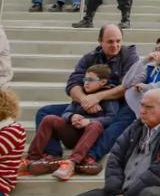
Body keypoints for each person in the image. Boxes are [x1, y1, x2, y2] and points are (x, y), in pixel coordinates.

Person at [34, 24, 139, 176]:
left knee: (127, 116)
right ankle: (52, 156)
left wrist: (97, 97)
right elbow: (72, 84)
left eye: (118, 41)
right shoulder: (89, 58)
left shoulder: (129, 56)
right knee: (44, 113)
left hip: (115, 105)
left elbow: (128, 86)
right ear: (100, 41)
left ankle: (90, 157)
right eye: (110, 41)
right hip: (86, 104)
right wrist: (85, 100)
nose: (115, 45)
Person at [65, 88, 160, 196]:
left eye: (148, 107)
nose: (142, 111)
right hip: (123, 190)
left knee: (149, 195)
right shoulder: (136, 126)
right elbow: (115, 158)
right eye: (142, 105)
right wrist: (116, 194)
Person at [23, 64, 118, 181]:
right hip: (72, 134)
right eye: (85, 79)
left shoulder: (108, 98)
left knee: (95, 125)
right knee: (49, 118)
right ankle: (33, 157)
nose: (86, 83)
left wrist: (89, 121)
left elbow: (111, 118)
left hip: (89, 139)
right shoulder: (81, 94)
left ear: (103, 82)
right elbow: (66, 112)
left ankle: (72, 162)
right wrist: (72, 116)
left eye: (91, 80)